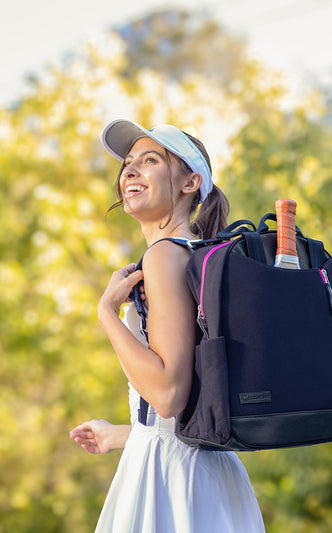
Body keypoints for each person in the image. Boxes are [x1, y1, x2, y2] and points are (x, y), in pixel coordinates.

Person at [70, 120, 265, 533]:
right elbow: (189, 412)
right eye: (128, 164)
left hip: (170, 481)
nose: (130, 171)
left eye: (150, 160)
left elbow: (169, 395)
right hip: (208, 474)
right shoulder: (200, 255)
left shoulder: (162, 255)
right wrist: (118, 435)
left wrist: (106, 312)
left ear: (190, 183)